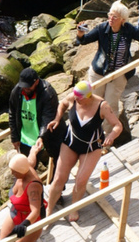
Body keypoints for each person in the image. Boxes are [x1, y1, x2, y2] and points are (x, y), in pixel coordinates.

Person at [76, 1, 139, 132]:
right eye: (110, 15)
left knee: (110, 105)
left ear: (122, 20)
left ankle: (107, 137)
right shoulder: (102, 28)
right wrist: (80, 33)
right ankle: (91, 132)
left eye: (115, 17)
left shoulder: (128, 29)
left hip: (119, 73)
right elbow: (83, 40)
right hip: (99, 72)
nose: (111, 19)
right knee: (94, 102)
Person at [45, 82, 122, 222]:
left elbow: (118, 126)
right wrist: (57, 119)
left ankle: (74, 208)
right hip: (71, 141)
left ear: (88, 96)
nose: (77, 100)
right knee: (58, 178)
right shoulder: (73, 98)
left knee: (80, 181)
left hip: (91, 147)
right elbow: (62, 104)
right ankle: (49, 209)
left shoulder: (102, 106)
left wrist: (111, 136)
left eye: (80, 98)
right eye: (76, 97)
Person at [8, 67, 63, 170]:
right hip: (26, 137)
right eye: (23, 87)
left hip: (48, 133)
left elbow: (48, 117)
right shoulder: (17, 91)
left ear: (37, 82)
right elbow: (12, 114)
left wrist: (41, 137)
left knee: (58, 162)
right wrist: (14, 137)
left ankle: (58, 185)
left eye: (28, 87)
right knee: (26, 168)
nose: (25, 89)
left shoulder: (48, 93)